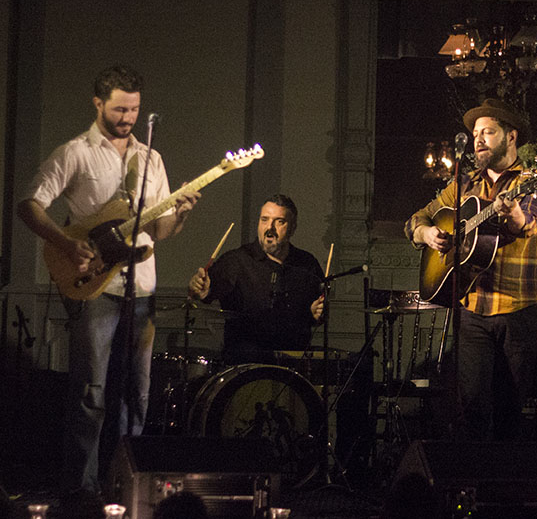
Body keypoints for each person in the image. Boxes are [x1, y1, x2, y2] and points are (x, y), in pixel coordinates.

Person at [16, 65, 200, 502]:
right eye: (119, 109)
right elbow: (29, 204)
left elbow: (159, 232)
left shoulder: (150, 158)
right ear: (98, 103)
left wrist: (183, 211)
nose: (128, 118)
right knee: (91, 392)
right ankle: (79, 488)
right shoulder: (75, 153)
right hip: (94, 286)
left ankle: (125, 483)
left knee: (136, 392)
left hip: (143, 287)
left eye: (135, 109)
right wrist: (66, 242)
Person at [405, 98, 537, 441]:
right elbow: (417, 218)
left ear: (511, 136)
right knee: (470, 408)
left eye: (488, 132)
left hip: (518, 308)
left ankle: (503, 489)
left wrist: (513, 212)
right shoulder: (463, 187)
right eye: (475, 133)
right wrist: (426, 233)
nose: (478, 139)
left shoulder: (536, 180)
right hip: (471, 307)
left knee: (509, 410)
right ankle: (468, 486)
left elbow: (527, 224)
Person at [187, 194, 325, 364]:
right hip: (245, 365)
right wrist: (202, 289)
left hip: (293, 365)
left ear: (293, 228)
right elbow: (207, 291)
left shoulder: (307, 264)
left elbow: (320, 312)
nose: (270, 228)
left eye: (279, 221)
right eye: (264, 220)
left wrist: (316, 314)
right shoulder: (237, 260)